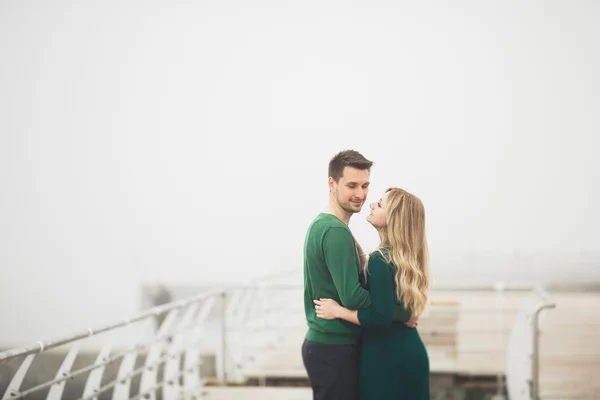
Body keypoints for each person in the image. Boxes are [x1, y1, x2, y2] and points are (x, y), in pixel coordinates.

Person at [302, 151, 418, 400]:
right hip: (334, 345)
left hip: (327, 344)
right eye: (351, 185)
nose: (360, 194)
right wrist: (401, 313)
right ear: (332, 184)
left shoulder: (327, 225)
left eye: (365, 185)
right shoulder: (335, 231)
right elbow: (353, 297)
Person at [314, 187, 431, 400]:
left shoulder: (380, 259)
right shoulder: (407, 258)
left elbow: (380, 316)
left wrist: (338, 311)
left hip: (385, 359)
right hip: (411, 353)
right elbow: (391, 300)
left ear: (393, 218)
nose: (371, 205)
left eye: (379, 204)